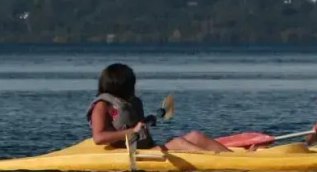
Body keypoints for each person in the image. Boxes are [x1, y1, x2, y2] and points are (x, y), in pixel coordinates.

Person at [88, 63, 230, 153]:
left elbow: (134, 125)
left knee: (195, 136)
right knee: (179, 143)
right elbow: (99, 137)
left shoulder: (130, 102)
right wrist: (132, 131)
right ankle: (216, 159)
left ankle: (233, 156)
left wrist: (146, 121)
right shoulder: (102, 106)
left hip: (147, 148)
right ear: (121, 87)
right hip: (132, 152)